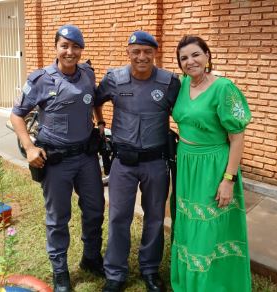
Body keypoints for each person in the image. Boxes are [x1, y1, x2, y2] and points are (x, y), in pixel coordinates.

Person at [10, 25, 105, 292]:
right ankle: (60, 269)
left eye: (75, 47)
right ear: (56, 48)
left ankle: (91, 257)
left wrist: (100, 122)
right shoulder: (41, 79)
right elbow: (17, 115)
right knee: (58, 218)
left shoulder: (87, 73)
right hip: (57, 162)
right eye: (64, 46)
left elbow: (94, 98)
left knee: (95, 209)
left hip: (87, 158)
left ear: (81, 50)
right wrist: (29, 147)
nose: (70, 52)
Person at [94, 30, 181, 292]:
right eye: (136, 52)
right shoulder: (114, 79)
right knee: (119, 216)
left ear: (155, 53)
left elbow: (187, 111)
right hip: (124, 163)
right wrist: (100, 123)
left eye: (147, 52)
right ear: (128, 53)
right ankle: (115, 273)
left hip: (156, 162)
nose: (141, 57)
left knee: (155, 218)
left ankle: (150, 269)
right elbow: (95, 99)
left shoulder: (169, 82)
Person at [170, 35, 252, 291]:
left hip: (213, 165)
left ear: (207, 55)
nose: (190, 61)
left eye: (195, 54)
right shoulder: (182, 85)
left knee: (209, 229)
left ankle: (213, 284)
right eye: (184, 58)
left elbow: (237, 139)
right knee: (188, 222)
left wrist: (228, 179)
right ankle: (188, 280)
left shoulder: (224, 88)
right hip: (186, 162)